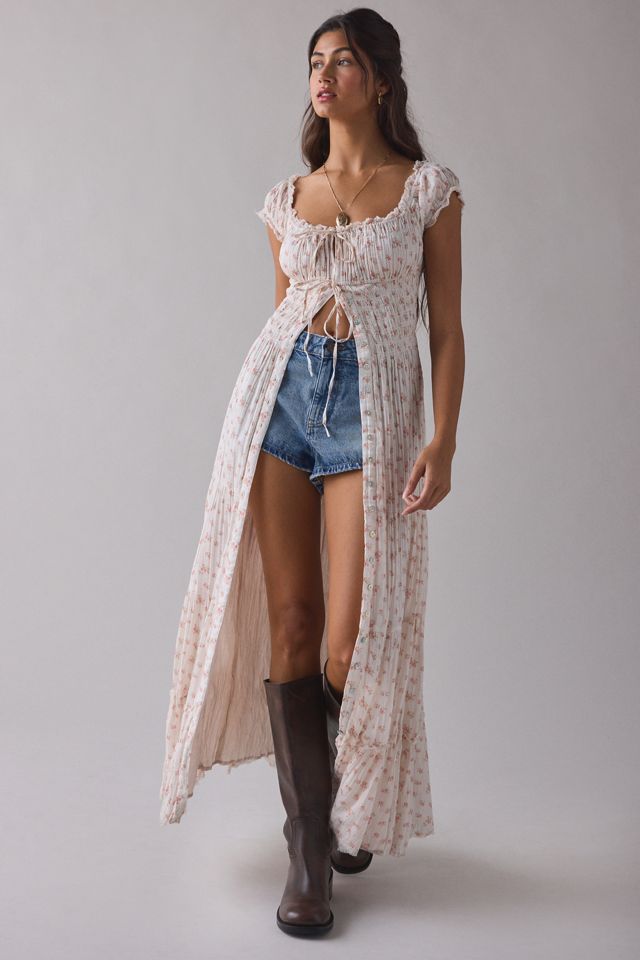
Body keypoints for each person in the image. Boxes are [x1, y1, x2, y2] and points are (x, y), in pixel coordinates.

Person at [159, 8, 465, 939]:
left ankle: (333, 789)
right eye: (315, 61)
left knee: (347, 643)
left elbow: (446, 330)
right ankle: (309, 851)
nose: (324, 75)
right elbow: (283, 313)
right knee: (291, 621)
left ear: (382, 81)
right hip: (280, 406)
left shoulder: (427, 191)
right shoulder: (286, 199)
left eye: (345, 61)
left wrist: (445, 439)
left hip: (373, 415)